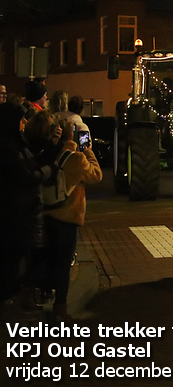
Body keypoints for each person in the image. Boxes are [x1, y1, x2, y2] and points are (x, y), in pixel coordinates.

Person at [40, 120, 102, 321]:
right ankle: (60, 305)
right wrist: (88, 151)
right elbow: (96, 175)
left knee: (46, 257)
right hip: (68, 217)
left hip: (47, 213)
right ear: (72, 136)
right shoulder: (76, 158)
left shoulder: (47, 154)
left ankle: (40, 293)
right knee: (63, 262)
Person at [0, 103, 54, 312]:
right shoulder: (7, 146)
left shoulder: (17, 141)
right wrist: (46, 171)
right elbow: (24, 176)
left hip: (23, 210)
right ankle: (9, 296)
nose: (24, 123)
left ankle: (13, 295)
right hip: (14, 211)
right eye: (20, 119)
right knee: (14, 257)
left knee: (18, 255)